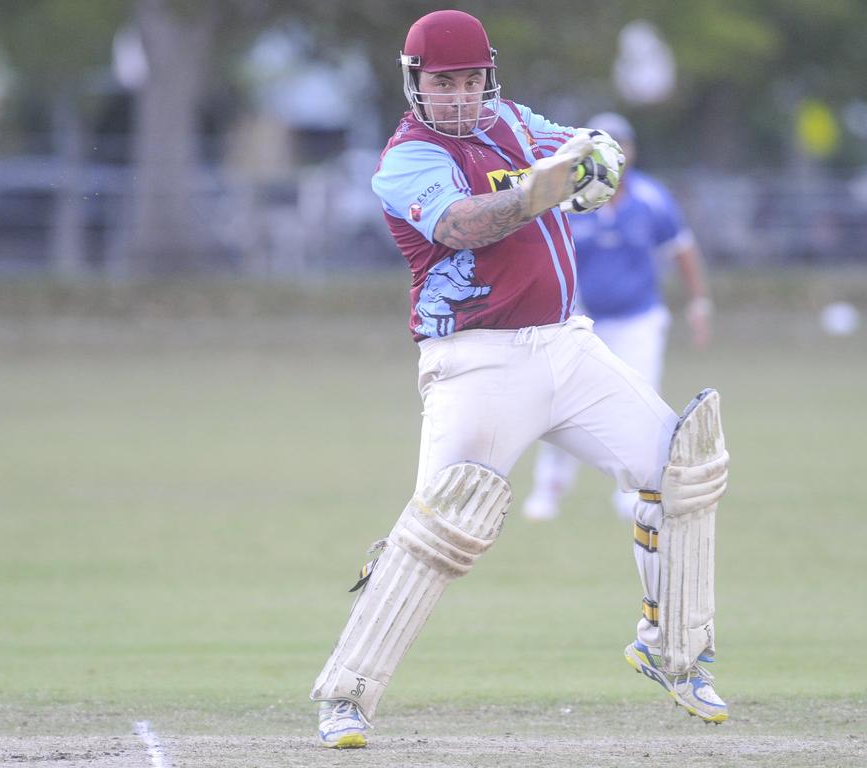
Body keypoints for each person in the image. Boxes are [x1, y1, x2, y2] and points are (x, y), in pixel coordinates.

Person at [309, 10, 728, 749]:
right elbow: (464, 224)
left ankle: (676, 651)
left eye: (472, 80)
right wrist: (552, 185)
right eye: (445, 84)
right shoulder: (406, 158)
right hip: (475, 360)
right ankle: (345, 694)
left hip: (568, 346)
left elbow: (578, 150)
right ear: (415, 85)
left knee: (682, 467)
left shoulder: (510, 118)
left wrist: (597, 158)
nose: (463, 98)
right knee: (441, 529)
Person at [522, 112, 713, 522]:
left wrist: (698, 303)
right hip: (581, 318)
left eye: (623, 144)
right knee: (560, 402)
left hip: (638, 319)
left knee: (640, 400)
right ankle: (549, 489)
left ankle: (637, 491)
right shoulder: (572, 200)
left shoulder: (651, 198)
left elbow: (681, 249)